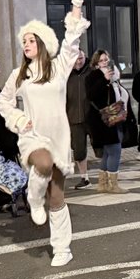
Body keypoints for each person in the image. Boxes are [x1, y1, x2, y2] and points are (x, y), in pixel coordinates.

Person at [0, 0, 90, 267]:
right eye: (23, 41)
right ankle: (33, 199)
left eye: (31, 40)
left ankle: (62, 248)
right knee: (43, 164)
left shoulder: (60, 67)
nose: (26, 44)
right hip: (33, 136)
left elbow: (72, 38)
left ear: (42, 43)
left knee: (58, 195)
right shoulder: (19, 74)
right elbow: (3, 102)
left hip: (59, 135)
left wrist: (77, 1)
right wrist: (18, 118)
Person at [86, 49, 131, 194]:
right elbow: (91, 95)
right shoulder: (94, 75)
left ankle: (103, 183)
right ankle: (113, 185)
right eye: (102, 60)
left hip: (112, 117)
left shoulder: (113, 76)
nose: (105, 62)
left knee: (107, 152)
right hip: (102, 120)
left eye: (107, 59)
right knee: (115, 150)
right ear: (96, 63)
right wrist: (104, 79)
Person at [64, 53, 92, 188]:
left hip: (91, 116)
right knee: (79, 150)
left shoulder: (92, 71)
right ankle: (84, 178)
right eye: (75, 59)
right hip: (74, 117)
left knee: (101, 148)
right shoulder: (66, 75)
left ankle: (109, 174)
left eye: (81, 58)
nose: (78, 62)